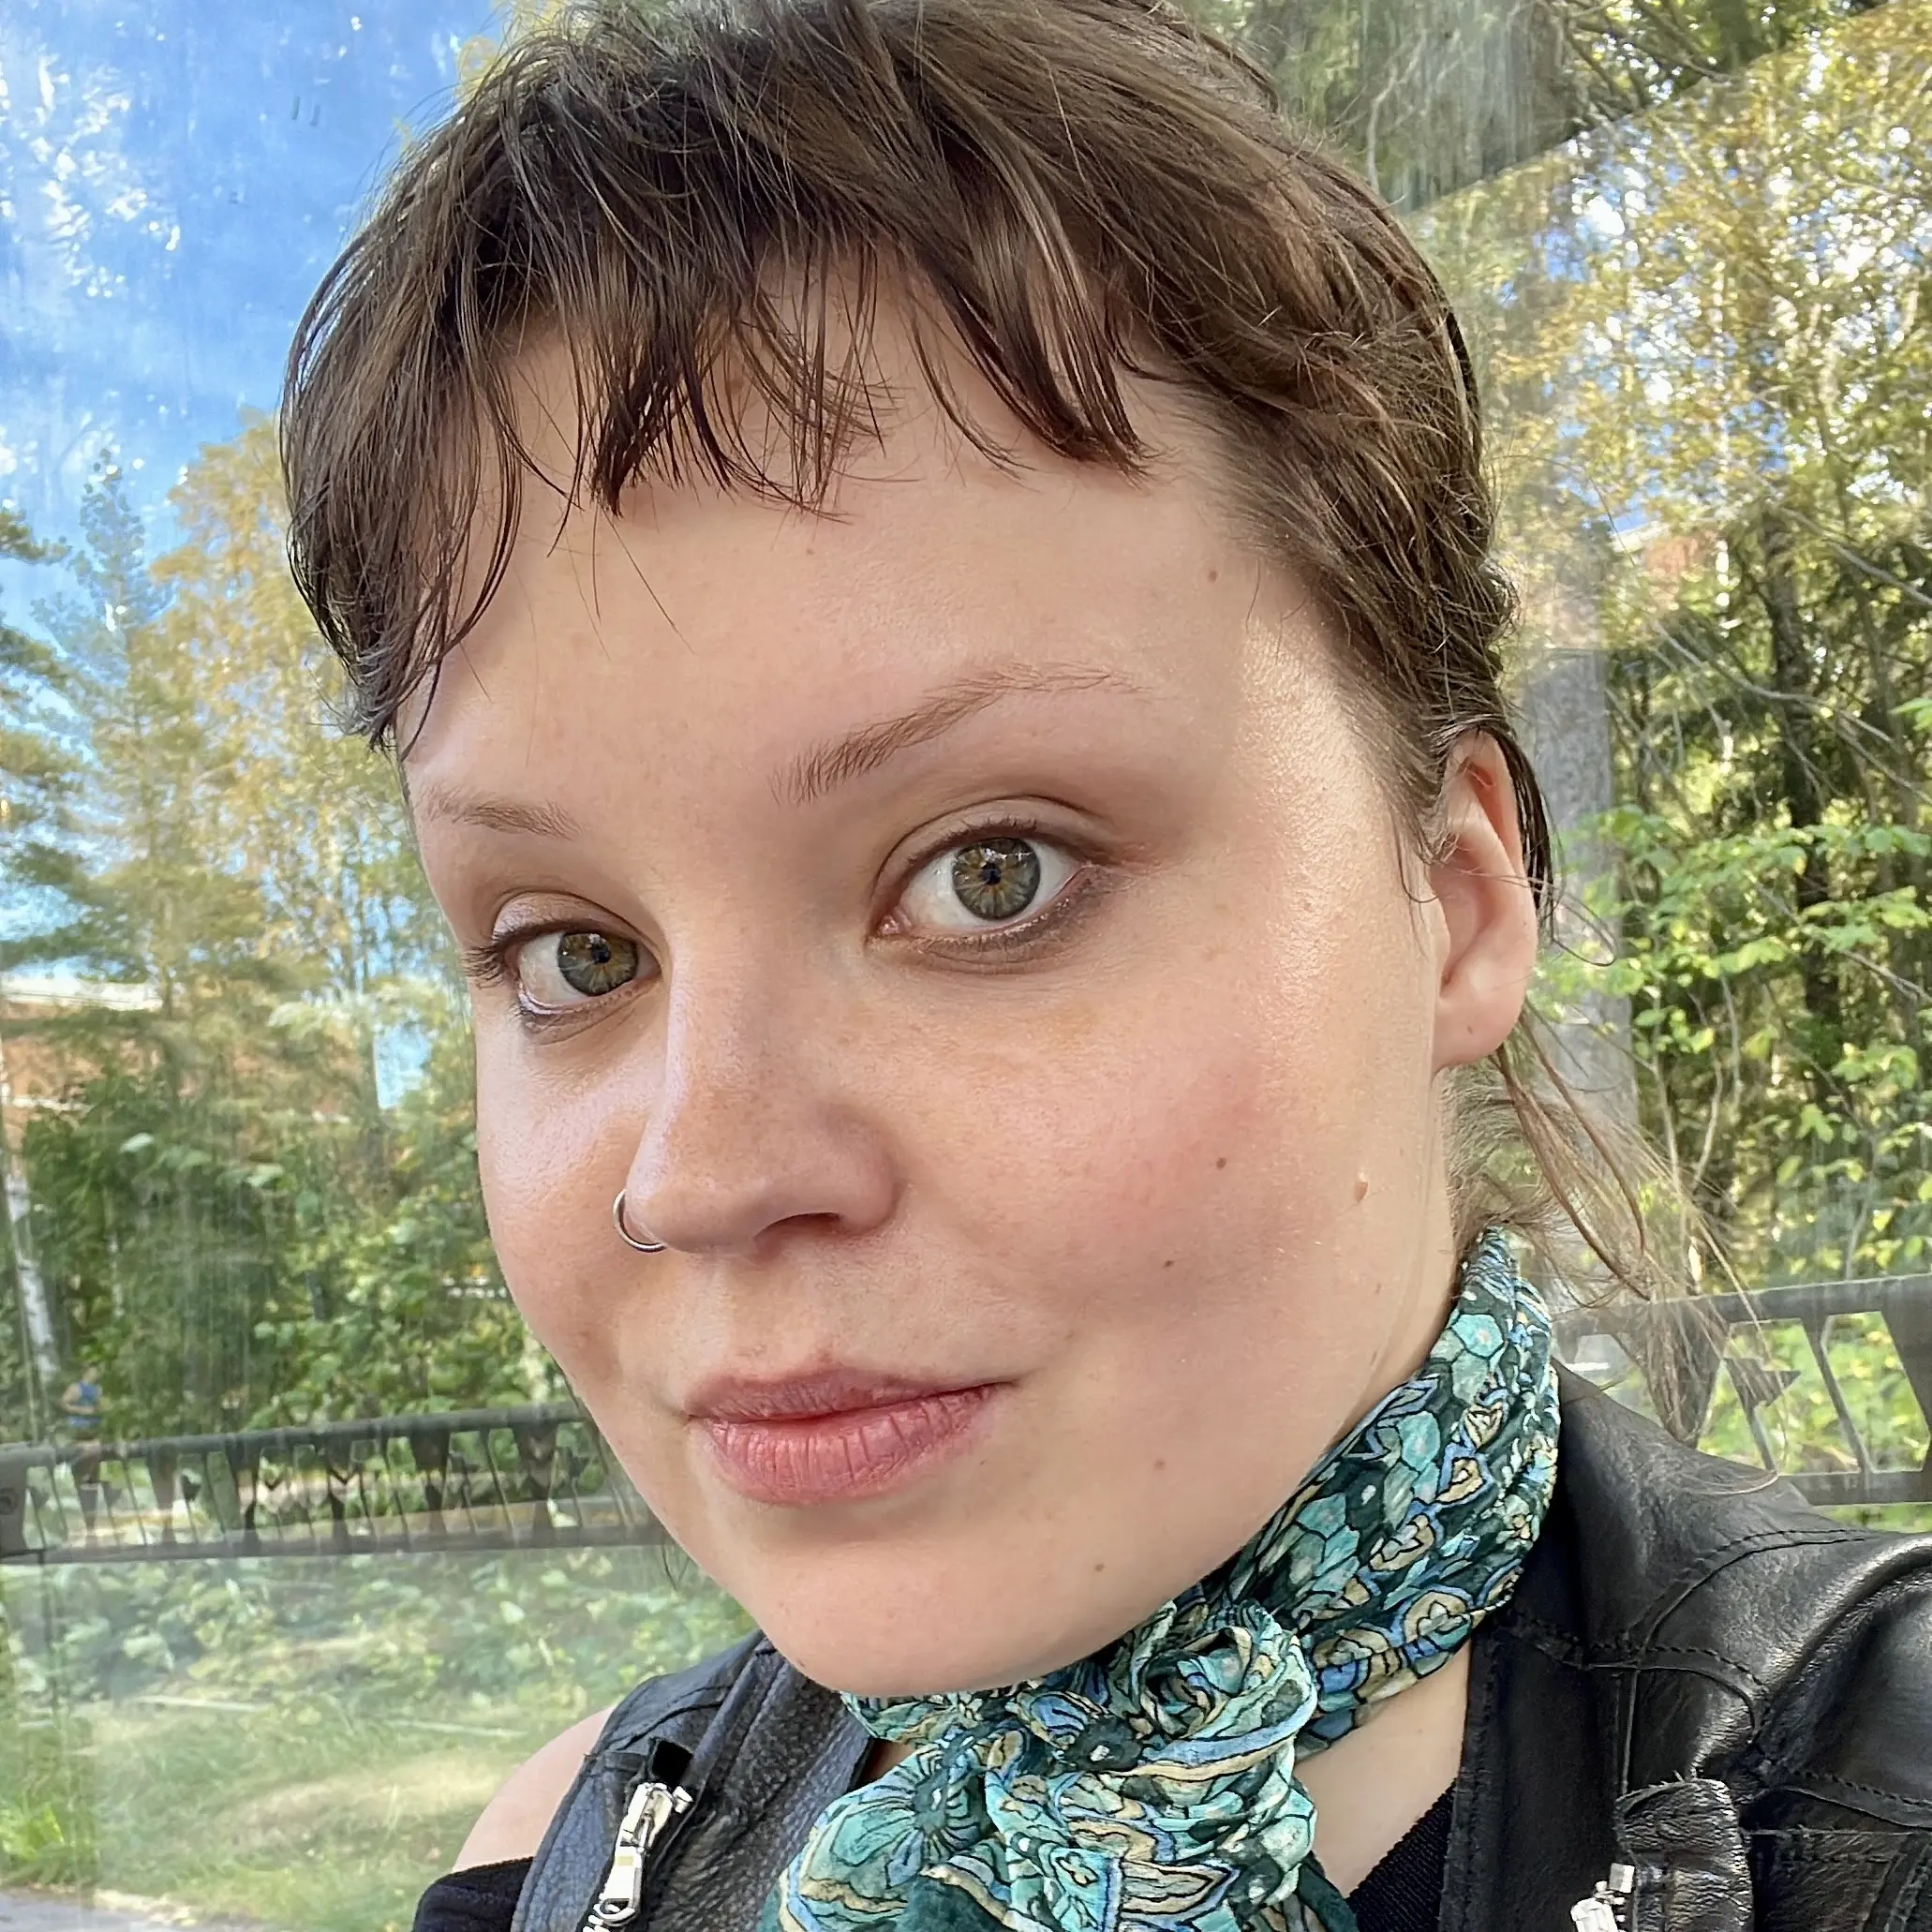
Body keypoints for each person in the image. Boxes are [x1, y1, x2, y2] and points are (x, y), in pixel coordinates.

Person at [276, 2, 1932, 1926]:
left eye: (989, 875)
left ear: (1459, 899)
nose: (702, 1172)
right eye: (574, 951)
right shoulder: (573, 1846)